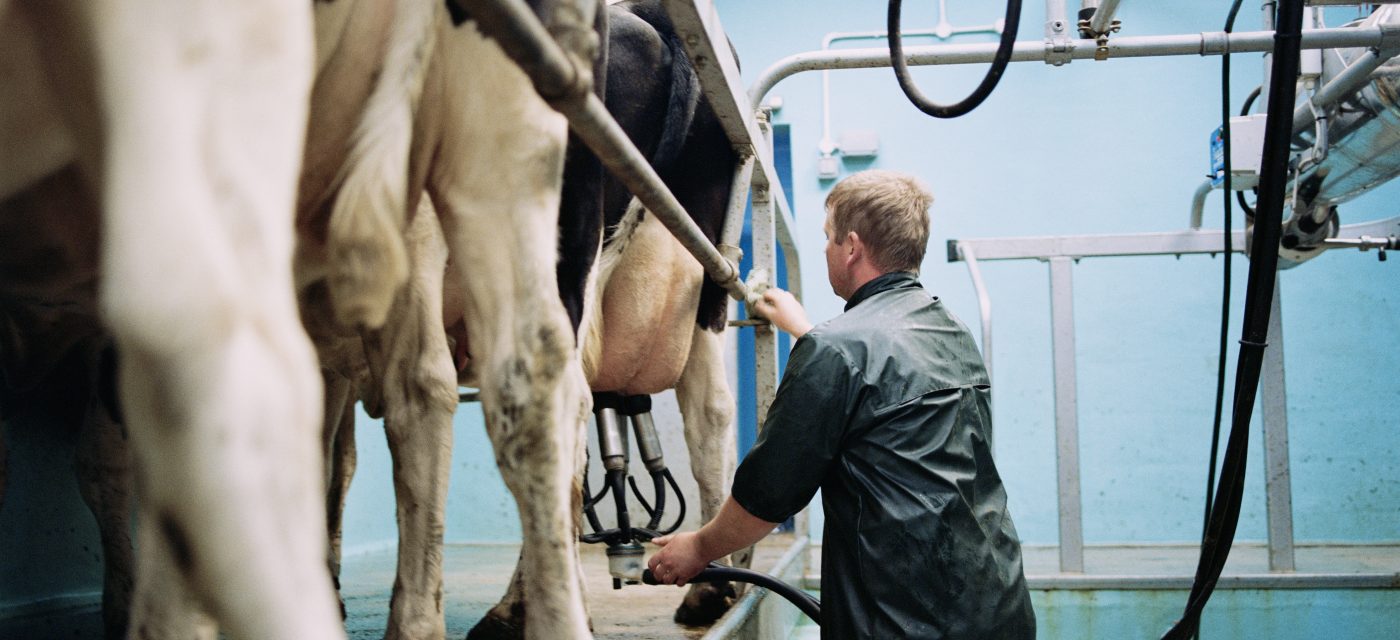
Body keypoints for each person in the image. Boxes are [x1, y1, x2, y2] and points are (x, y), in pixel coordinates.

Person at [647, 170, 1035, 639]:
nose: (826, 249)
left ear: (852, 247)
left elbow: (769, 494)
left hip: (903, 622)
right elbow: (879, 395)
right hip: (999, 606)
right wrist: (806, 332)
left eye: (828, 238)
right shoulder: (951, 330)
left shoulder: (835, 351)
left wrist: (700, 547)